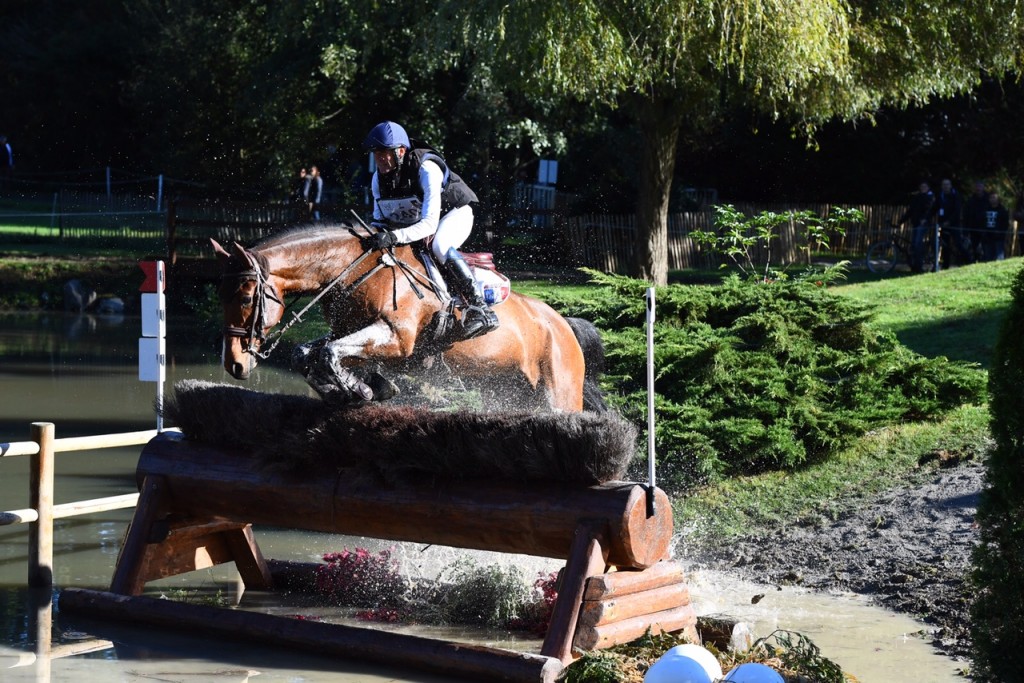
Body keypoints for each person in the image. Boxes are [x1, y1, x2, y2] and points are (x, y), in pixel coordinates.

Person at [360, 120, 498, 339]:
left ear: (401, 151)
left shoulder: (426, 168)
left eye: (384, 152)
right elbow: (380, 221)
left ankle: (480, 308)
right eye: (375, 152)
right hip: (420, 222)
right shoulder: (378, 178)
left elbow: (429, 225)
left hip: (455, 213)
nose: (378, 158)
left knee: (439, 245)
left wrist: (393, 235)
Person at [897, 181, 934, 272]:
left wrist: (924, 219)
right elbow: (910, 211)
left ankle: (919, 266)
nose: (923, 188)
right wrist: (901, 221)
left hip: (923, 224)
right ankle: (914, 266)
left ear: (928, 188)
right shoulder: (917, 198)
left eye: (925, 186)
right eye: (921, 186)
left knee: (917, 243)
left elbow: (929, 210)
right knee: (914, 244)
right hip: (915, 223)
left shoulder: (930, 197)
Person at [930, 178, 966, 266]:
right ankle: (946, 265)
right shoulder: (940, 196)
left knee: (958, 244)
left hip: (954, 224)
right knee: (945, 245)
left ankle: (967, 261)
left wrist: (949, 221)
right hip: (943, 224)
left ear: (950, 186)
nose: (945, 186)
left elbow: (957, 211)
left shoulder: (956, 196)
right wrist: (926, 218)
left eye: (947, 184)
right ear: (942, 186)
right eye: (944, 185)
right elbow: (934, 209)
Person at [962, 181, 988, 263]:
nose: (978, 189)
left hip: (985, 230)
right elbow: (966, 215)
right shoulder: (971, 200)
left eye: (980, 187)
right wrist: (965, 230)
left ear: (983, 188)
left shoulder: (988, 200)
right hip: (973, 229)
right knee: (973, 249)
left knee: (984, 249)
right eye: (977, 187)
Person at [980, 191, 1009, 262]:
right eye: (991, 198)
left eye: (994, 197)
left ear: (998, 199)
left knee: (999, 259)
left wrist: (1001, 233)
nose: (992, 199)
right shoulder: (985, 209)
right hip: (987, 237)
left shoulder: (1002, 210)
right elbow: (981, 221)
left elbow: (1005, 224)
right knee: (988, 258)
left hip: (998, 238)